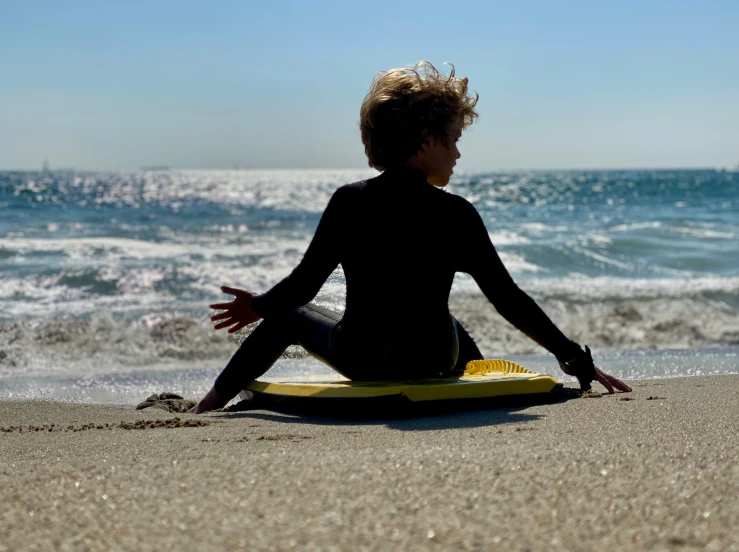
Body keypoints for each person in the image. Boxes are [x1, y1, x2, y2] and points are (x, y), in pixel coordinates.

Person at [190, 61, 630, 414]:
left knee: (289, 315)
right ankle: (474, 381)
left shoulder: (349, 202)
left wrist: (256, 306)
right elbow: (508, 299)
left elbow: (302, 286)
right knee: (446, 320)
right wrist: (573, 358)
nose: (458, 153)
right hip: (434, 357)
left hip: (362, 359)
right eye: (453, 140)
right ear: (425, 138)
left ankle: (211, 401)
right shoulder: (457, 213)